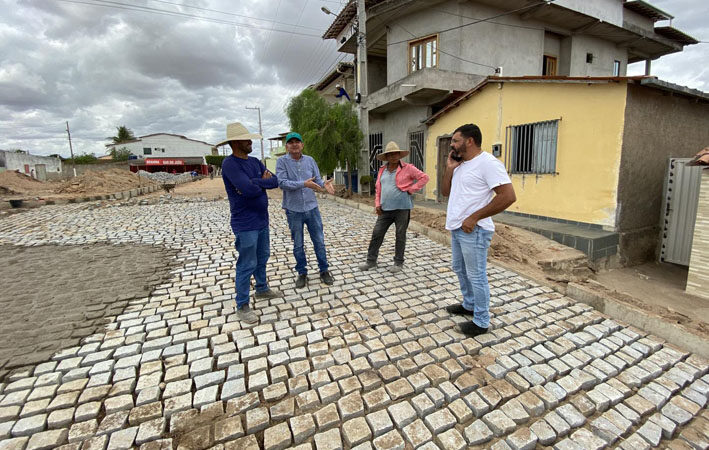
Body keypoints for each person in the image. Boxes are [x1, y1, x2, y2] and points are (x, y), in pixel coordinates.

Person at [442, 123, 516, 337]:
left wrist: (474, 217)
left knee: (477, 275)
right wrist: (449, 169)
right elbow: (446, 192)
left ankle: (481, 321)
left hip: (474, 230)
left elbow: (508, 196)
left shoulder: (488, 164)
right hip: (457, 228)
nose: (452, 145)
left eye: (455, 140)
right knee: (460, 269)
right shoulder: (462, 164)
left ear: (470, 141)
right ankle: (469, 304)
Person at [219, 122, 282, 324]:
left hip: (262, 220)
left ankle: (262, 289)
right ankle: (242, 304)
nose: (250, 142)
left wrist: (254, 182)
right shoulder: (230, 164)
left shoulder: (255, 161)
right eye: (247, 139)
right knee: (247, 263)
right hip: (245, 222)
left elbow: (275, 181)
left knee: (262, 256)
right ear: (236, 142)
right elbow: (248, 190)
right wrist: (257, 183)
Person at [276, 132, 336, 288]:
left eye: (298, 141)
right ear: (287, 146)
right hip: (293, 209)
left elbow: (316, 179)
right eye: (291, 142)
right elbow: (282, 183)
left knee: (319, 241)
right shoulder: (281, 162)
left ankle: (324, 270)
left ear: (302, 145)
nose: (294, 144)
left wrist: (324, 184)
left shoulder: (310, 160)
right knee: (298, 243)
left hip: (312, 207)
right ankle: (302, 272)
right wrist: (303, 184)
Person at [359, 141, 429, 273]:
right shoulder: (382, 170)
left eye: (396, 154)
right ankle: (371, 261)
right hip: (385, 209)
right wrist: (377, 204)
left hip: (402, 208)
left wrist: (412, 189)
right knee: (377, 234)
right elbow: (378, 189)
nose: (393, 156)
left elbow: (424, 178)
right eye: (390, 154)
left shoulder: (408, 168)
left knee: (400, 235)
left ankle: (398, 262)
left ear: (399, 155)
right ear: (386, 157)